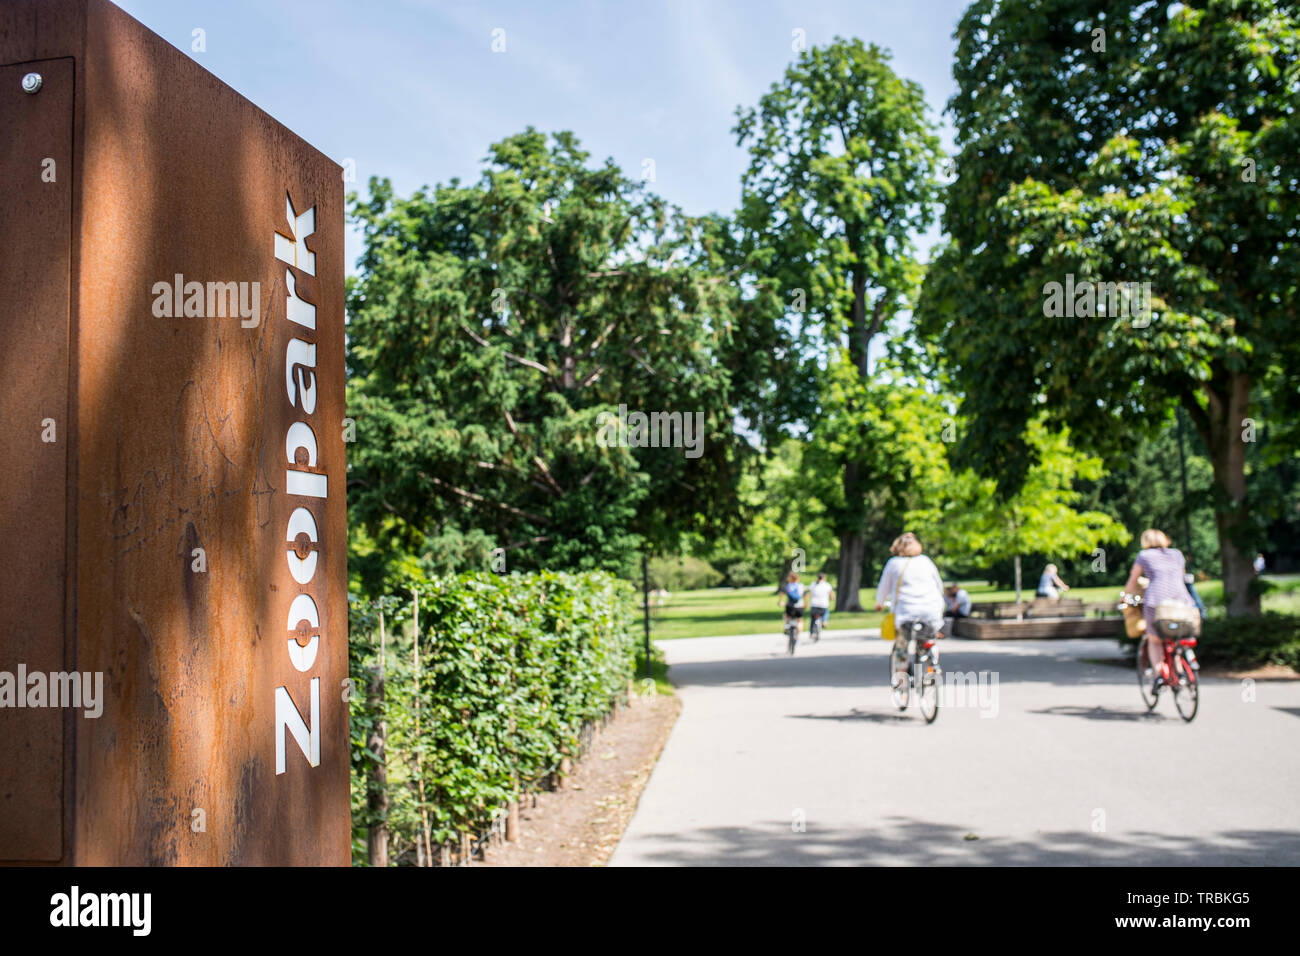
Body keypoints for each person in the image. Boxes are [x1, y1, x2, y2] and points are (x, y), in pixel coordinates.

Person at [1123, 529, 1199, 694]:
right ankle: (1180, 672)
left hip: (1156, 601)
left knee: (1155, 640)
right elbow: (1181, 575)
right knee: (1176, 639)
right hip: (1181, 599)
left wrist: (1124, 597)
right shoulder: (1177, 554)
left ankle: (1159, 675)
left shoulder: (1144, 555)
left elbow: (1133, 579)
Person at [874, 532, 946, 686]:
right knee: (927, 640)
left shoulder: (893, 563)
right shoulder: (926, 561)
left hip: (906, 613)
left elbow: (883, 589)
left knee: (902, 645)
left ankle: (901, 680)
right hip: (931, 611)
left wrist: (879, 603)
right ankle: (932, 667)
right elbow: (939, 586)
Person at [780, 571, 806, 639]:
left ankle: (787, 626)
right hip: (800, 606)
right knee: (799, 621)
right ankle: (798, 636)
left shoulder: (788, 586)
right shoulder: (801, 586)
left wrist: (780, 602)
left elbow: (781, 594)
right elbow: (805, 597)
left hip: (790, 606)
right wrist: (805, 605)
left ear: (790, 578)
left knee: (786, 616)